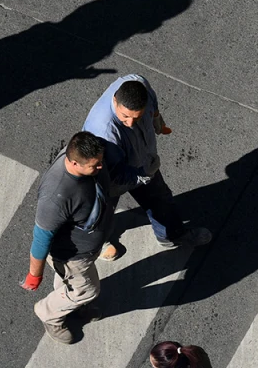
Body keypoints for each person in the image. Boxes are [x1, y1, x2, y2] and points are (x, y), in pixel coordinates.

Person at [82, 74, 210, 256]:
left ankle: (171, 236)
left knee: (161, 199)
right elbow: (113, 174)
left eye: (138, 117)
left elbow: (151, 97)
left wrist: (156, 116)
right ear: (115, 100)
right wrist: (143, 174)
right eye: (125, 116)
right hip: (110, 176)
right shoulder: (103, 132)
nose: (130, 123)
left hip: (142, 160)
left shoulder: (137, 82)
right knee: (99, 212)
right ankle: (94, 243)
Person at [22, 131, 112, 345]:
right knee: (88, 290)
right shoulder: (56, 197)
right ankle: (48, 313)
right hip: (73, 256)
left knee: (70, 283)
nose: (101, 167)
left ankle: (72, 303)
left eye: (101, 161)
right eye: (95, 165)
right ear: (73, 163)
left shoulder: (81, 155)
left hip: (85, 246)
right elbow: (41, 239)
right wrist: (34, 275)